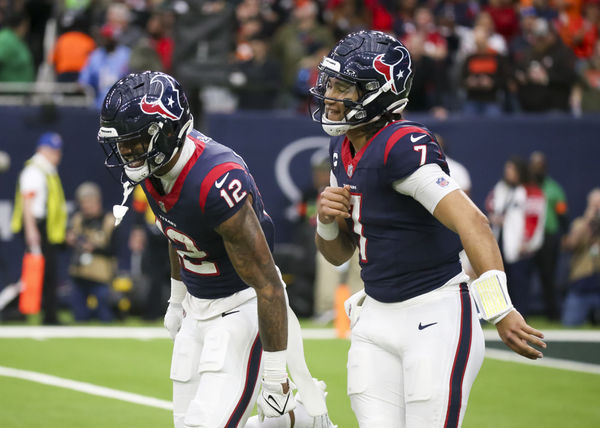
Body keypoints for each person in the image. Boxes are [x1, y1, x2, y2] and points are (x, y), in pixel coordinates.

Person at [309, 30, 546, 428]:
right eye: (330, 83)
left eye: (343, 87)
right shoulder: (341, 147)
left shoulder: (402, 144)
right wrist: (327, 221)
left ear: (378, 92)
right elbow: (338, 254)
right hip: (375, 317)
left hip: (434, 312)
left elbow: (473, 221)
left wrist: (498, 307)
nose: (330, 95)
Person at [98, 71, 334, 428]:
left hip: (240, 309)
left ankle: (296, 417)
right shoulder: (155, 164)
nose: (126, 153)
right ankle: (298, 422)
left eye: (134, 142)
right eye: (122, 143)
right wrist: (177, 301)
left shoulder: (215, 181)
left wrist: (274, 374)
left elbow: (268, 283)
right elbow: (178, 234)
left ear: (167, 132)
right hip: (197, 307)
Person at [10, 132, 67, 325]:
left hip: (44, 226)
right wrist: (31, 230)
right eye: (53, 151)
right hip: (36, 225)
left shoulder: (46, 170)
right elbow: (28, 201)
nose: (57, 155)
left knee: (48, 272)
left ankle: (46, 314)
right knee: (40, 272)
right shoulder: (35, 170)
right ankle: (27, 312)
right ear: (42, 150)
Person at [487, 156, 546, 317]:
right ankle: (497, 315)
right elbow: (491, 205)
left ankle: (520, 316)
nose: (507, 172)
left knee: (519, 283)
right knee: (498, 280)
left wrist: (527, 242)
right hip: (501, 241)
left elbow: (535, 219)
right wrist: (494, 217)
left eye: (511, 169)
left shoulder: (532, 191)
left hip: (520, 246)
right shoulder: (501, 188)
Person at [65, 182, 116, 322]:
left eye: (89, 202)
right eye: (83, 203)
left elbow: (115, 250)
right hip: (79, 275)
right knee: (79, 317)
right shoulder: (77, 219)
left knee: (105, 317)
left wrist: (94, 248)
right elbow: (65, 243)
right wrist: (69, 240)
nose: (86, 206)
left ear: (97, 201)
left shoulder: (109, 221)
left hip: (101, 277)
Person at [529, 151, 568, 320]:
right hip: (528, 237)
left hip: (548, 236)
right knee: (523, 274)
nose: (537, 169)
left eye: (540, 165)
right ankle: (523, 311)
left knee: (548, 275)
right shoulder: (526, 188)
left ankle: (552, 313)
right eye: (534, 165)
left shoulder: (554, 188)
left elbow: (562, 213)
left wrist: (565, 234)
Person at [561, 188, 600, 326]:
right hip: (581, 284)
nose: (597, 210)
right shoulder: (579, 224)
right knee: (570, 325)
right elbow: (571, 244)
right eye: (594, 206)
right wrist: (587, 222)